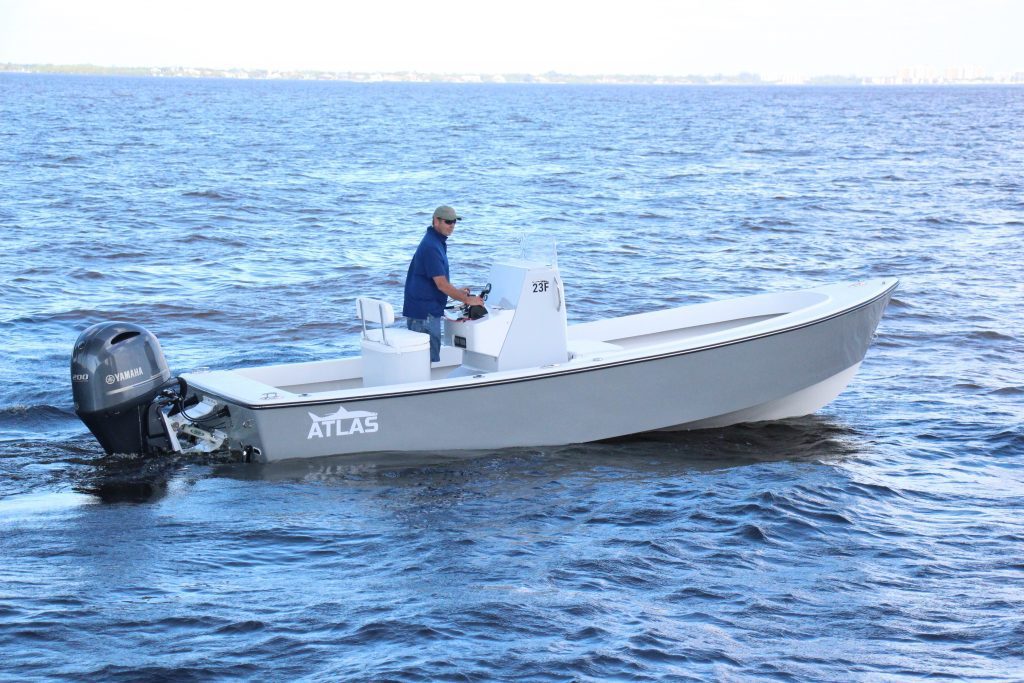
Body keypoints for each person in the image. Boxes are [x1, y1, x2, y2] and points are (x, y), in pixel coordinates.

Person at [402, 205, 484, 362]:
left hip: (423, 311)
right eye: (448, 222)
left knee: (423, 360)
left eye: (454, 222)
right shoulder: (431, 247)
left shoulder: (435, 242)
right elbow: (441, 284)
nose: (452, 225)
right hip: (424, 315)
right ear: (436, 221)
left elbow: (435, 281)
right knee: (426, 361)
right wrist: (467, 299)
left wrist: (457, 292)